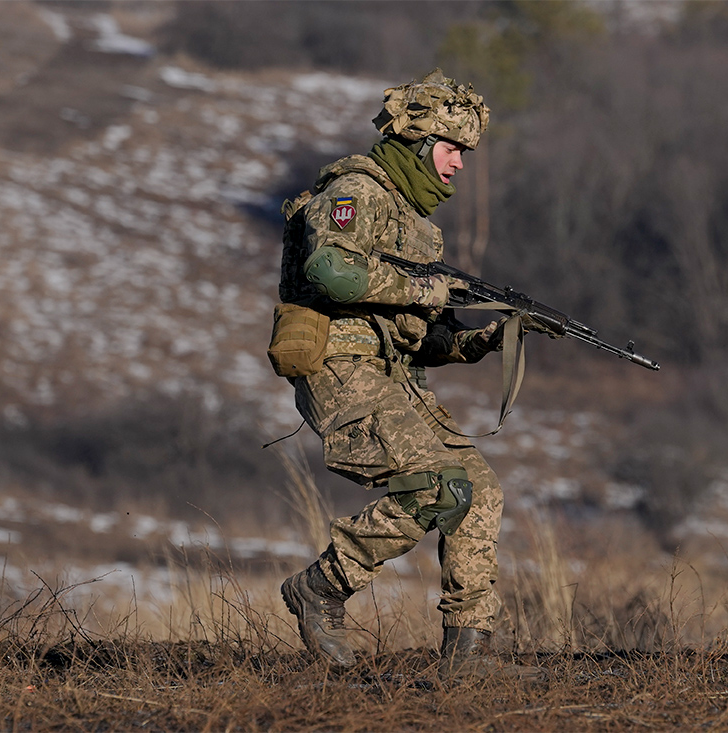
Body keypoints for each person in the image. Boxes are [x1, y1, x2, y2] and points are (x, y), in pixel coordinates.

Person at [273, 69, 542, 681]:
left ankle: (467, 656)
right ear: (417, 143)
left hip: (397, 382)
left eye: (466, 153)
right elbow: (330, 272)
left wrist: (489, 337)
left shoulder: (418, 225)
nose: (458, 165)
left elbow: (429, 333)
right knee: (436, 487)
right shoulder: (356, 192)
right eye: (451, 149)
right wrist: (426, 286)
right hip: (342, 373)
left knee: (478, 494)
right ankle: (320, 588)